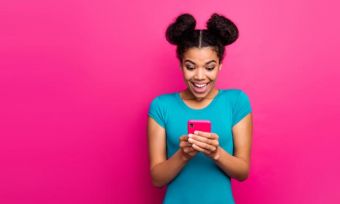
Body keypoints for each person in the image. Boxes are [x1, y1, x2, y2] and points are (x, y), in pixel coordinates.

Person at [147, 12, 253, 204]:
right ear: (180, 65)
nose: (200, 76)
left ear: (220, 64)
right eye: (190, 66)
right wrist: (184, 154)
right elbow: (157, 179)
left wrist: (216, 153)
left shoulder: (237, 102)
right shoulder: (161, 106)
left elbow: (242, 172)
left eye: (209, 67)